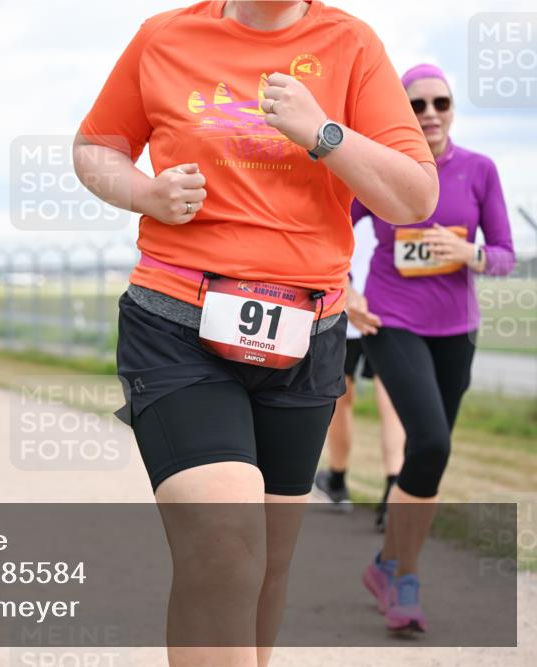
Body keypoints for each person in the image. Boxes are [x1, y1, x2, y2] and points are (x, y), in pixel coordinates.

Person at [74, 1, 439, 663]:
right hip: (177, 322)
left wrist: (323, 132)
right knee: (224, 542)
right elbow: (95, 149)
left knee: (264, 566)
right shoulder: (165, 37)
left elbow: (414, 198)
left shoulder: (350, 44)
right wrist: (145, 194)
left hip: (307, 335)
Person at [350, 63, 515, 634]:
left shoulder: (479, 170)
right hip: (391, 320)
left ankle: (384, 564)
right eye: (416, 105)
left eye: (439, 103)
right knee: (432, 440)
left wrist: (466, 253)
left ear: (451, 108)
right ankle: (406, 576)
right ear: (401, 112)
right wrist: (343, 291)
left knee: (430, 456)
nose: (429, 115)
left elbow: (504, 254)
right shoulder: (383, 169)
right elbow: (328, 224)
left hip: (457, 331)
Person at [313, 226, 405, 530]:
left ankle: (337, 479)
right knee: (390, 395)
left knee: (341, 396)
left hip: (346, 298)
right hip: (389, 302)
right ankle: (394, 484)